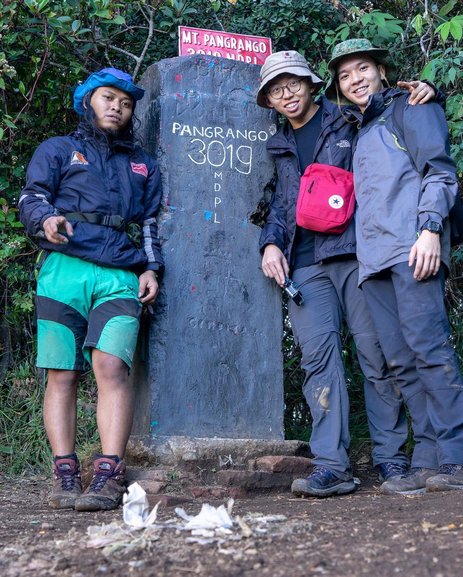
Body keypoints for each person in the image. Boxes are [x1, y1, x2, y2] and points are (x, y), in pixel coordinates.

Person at [256, 50, 437, 498]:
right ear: (270, 100)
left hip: (358, 254)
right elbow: (282, 202)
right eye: (276, 89)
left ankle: (392, 458)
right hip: (304, 265)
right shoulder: (278, 144)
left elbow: (396, 119)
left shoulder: (348, 120)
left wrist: (432, 92)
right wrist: (271, 242)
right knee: (319, 360)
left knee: (378, 357)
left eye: (293, 82)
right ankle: (332, 465)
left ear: (311, 83)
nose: (287, 93)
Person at [19, 68, 164, 511]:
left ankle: (108, 473)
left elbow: (151, 223)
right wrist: (44, 219)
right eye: (107, 97)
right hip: (64, 271)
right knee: (62, 372)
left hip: (120, 273)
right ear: (88, 101)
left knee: (111, 367)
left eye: (125, 101)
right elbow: (32, 196)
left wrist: (151, 268)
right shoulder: (59, 150)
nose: (117, 106)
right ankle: (65, 472)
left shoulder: (143, 164)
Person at [327, 38, 463, 495]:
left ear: (381, 71)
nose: (355, 80)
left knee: (431, 351)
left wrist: (429, 230)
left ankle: (457, 457)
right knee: (402, 363)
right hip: (374, 263)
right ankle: (428, 459)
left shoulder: (412, 106)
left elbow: (440, 172)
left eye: (362, 68)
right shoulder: (357, 128)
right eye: (345, 76)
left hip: (413, 249)